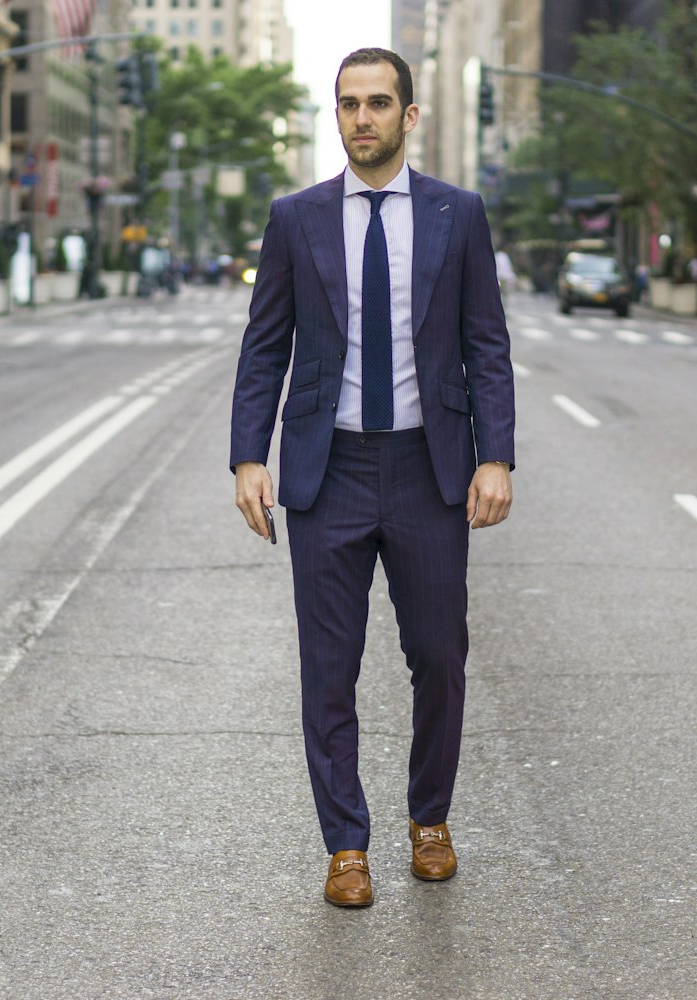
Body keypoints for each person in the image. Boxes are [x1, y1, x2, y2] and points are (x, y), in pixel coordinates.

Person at [230, 47, 515, 909]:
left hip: (430, 467)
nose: (363, 118)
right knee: (329, 666)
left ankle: (429, 818)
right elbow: (264, 346)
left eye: (380, 103)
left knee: (439, 656)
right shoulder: (296, 217)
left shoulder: (456, 214)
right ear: (337, 115)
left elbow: (486, 344)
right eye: (350, 104)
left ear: (410, 116)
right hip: (330, 470)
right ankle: (345, 846)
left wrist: (495, 456)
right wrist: (250, 456)